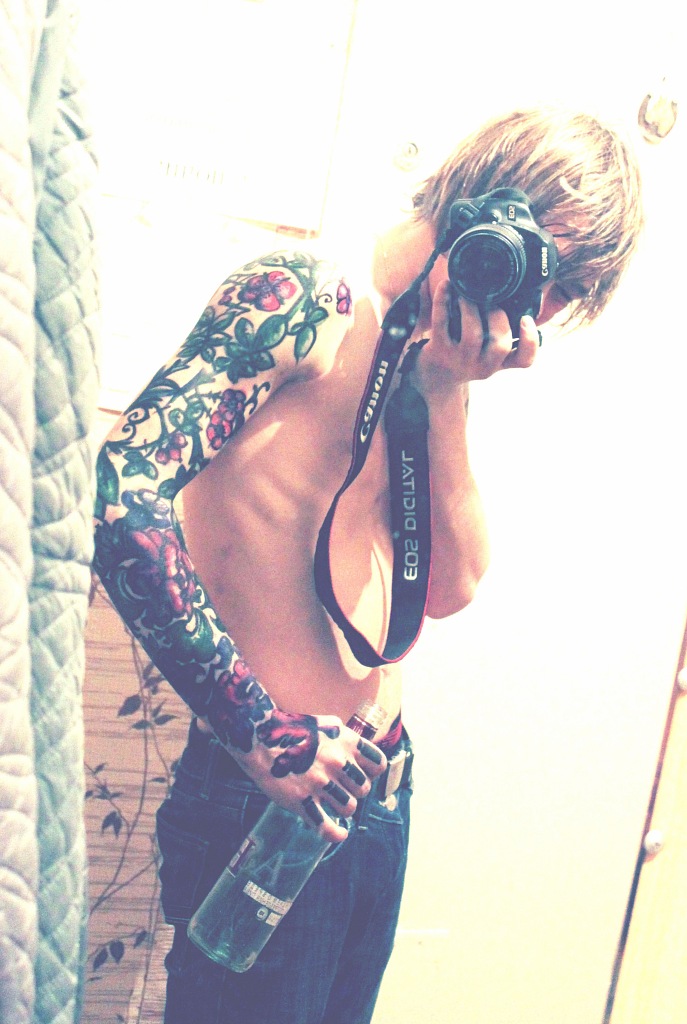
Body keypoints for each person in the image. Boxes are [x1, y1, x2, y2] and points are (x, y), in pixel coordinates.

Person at [92, 106, 643, 1024]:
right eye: (552, 270)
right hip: (261, 799)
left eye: (568, 292)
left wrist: (445, 390)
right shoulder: (306, 297)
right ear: (489, 204)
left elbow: (453, 587)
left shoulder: (435, 355)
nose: (541, 311)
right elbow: (122, 493)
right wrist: (260, 733)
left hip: (376, 794)